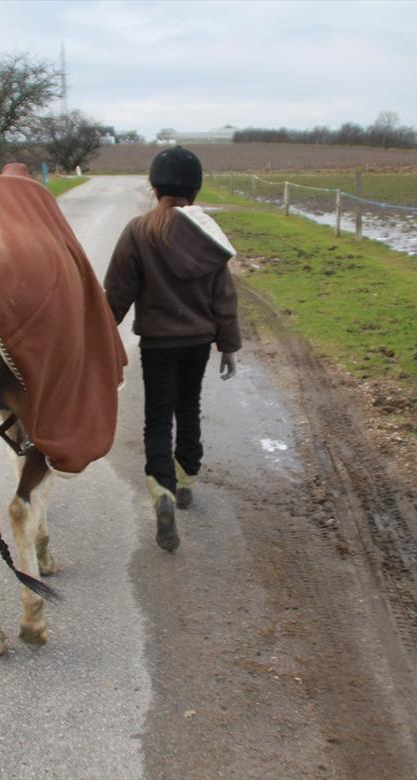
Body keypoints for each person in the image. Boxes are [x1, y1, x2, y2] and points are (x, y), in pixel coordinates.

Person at [104, 146, 240, 552]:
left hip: (158, 344)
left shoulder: (138, 230)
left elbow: (115, 295)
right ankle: (185, 481)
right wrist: (228, 347)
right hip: (198, 342)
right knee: (189, 407)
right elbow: (224, 298)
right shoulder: (210, 235)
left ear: (154, 185)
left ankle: (160, 491)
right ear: (195, 190)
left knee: (158, 418)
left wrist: (97, 338)